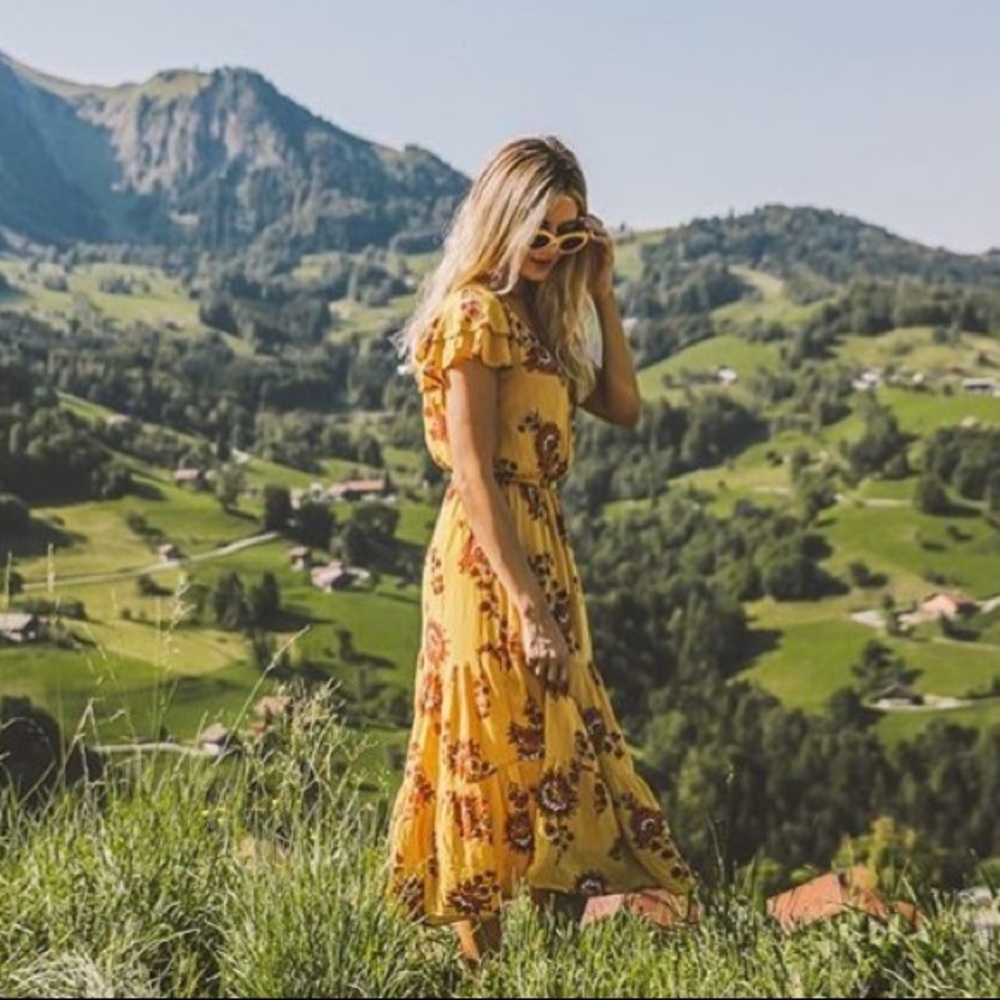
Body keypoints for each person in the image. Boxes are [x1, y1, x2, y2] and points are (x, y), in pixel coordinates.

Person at [388, 135, 694, 965]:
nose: (549, 249)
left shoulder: (541, 321)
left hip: (545, 548)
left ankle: (545, 973)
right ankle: (484, 971)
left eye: (567, 233)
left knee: (561, 747)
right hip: (488, 559)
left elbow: (625, 406)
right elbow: (477, 477)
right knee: (486, 748)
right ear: (503, 218)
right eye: (540, 232)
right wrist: (527, 608)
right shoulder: (474, 317)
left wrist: (600, 292)